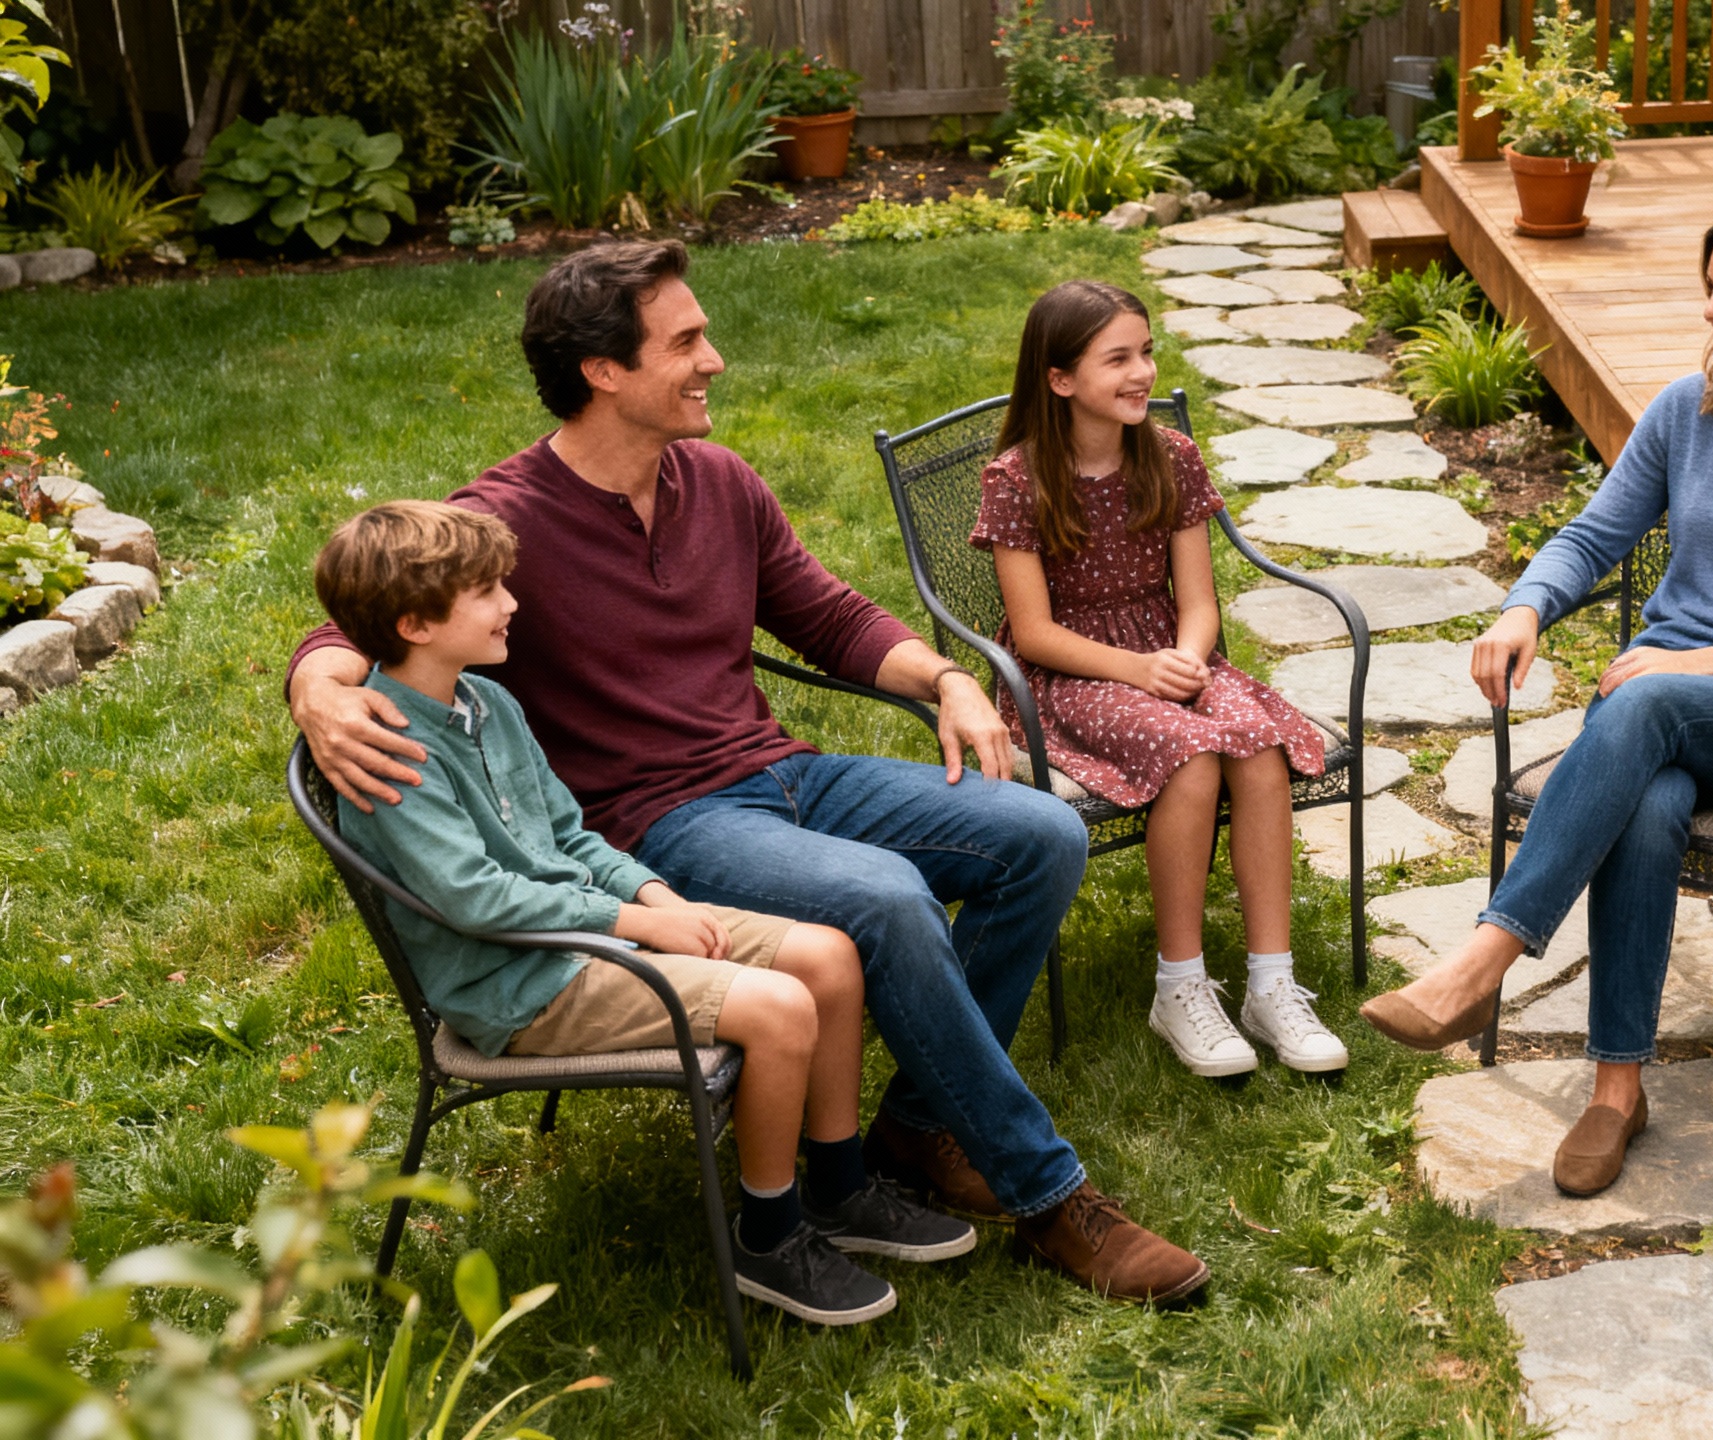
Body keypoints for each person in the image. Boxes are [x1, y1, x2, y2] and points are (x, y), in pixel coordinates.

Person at [288, 241, 1208, 1305]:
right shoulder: (514, 516)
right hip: (658, 822)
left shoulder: (718, 480)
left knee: (1039, 835)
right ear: (603, 370)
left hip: (782, 772)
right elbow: (368, 613)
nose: (714, 360)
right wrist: (317, 683)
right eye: (685, 341)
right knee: (886, 898)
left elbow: (829, 614)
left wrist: (947, 681)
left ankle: (916, 1128)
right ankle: (1048, 1198)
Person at [1360, 202, 1713, 1197]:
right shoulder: (1689, 413)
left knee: (1643, 704)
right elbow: (1590, 538)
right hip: (1654, 706)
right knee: (1651, 796)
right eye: (1710, 285)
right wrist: (1524, 609)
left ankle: (1479, 964)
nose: (1711, 308)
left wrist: (1701, 664)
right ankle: (1616, 1090)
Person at [314, 500, 978, 1325]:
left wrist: (653, 894)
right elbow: (475, 897)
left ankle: (841, 1189)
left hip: (589, 929)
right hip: (519, 980)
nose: (511, 602)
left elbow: (568, 832)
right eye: (485, 591)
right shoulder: (393, 751)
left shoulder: (489, 703)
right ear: (415, 623)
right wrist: (632, 923)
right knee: (778, 1008)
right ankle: (770, 1238)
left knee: (829, 957)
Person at [975, 281, 1347, 1079]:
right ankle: (1178, 985)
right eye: (1119, 358)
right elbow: (1035, 633)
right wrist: (1138, 670)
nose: (1143, 371)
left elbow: (1201, 600)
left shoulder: (1171, 455)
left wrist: (1185, 653)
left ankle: (1270, 983)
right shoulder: (1017, 479)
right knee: (1190, 751)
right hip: (1069, 674)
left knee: (1254, 743)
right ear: (1061, 379)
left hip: (1170, 650)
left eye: (1146, 351)